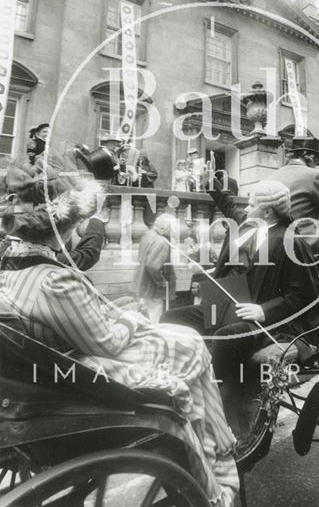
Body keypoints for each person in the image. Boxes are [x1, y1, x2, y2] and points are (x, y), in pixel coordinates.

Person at [0, 177, 239, 507]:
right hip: (81, 376)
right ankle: (219, 459)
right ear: (65, 230)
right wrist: (129, 319)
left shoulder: (10, 268)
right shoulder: (56, 280)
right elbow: (106, 343)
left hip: (45, 368)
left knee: (182, 337)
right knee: (193, 345)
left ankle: (217, 438)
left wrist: (115, 314)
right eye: (80, 224)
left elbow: (73, 323)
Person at [161, 178, 319, 433]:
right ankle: (179, 381)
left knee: (226, 337)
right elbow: (230, 208)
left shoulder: (292, 242)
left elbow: (304, 295)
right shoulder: (248, 228)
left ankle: (210, 399)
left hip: (267, 323)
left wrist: (264, 310)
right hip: (228, 308)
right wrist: (211, 182)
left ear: (267, 211)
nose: (246, 208)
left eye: (252, 204)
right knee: (171, 317)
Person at [131, 214, 176, 323]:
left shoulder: (147, 235)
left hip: (142, 282)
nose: (173, 232)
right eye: (172, 229)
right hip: (153, 287)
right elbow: (153, 266)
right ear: (164, 228)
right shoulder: (162, 241)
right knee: (154, 317)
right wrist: (162, 282)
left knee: (142, 315)